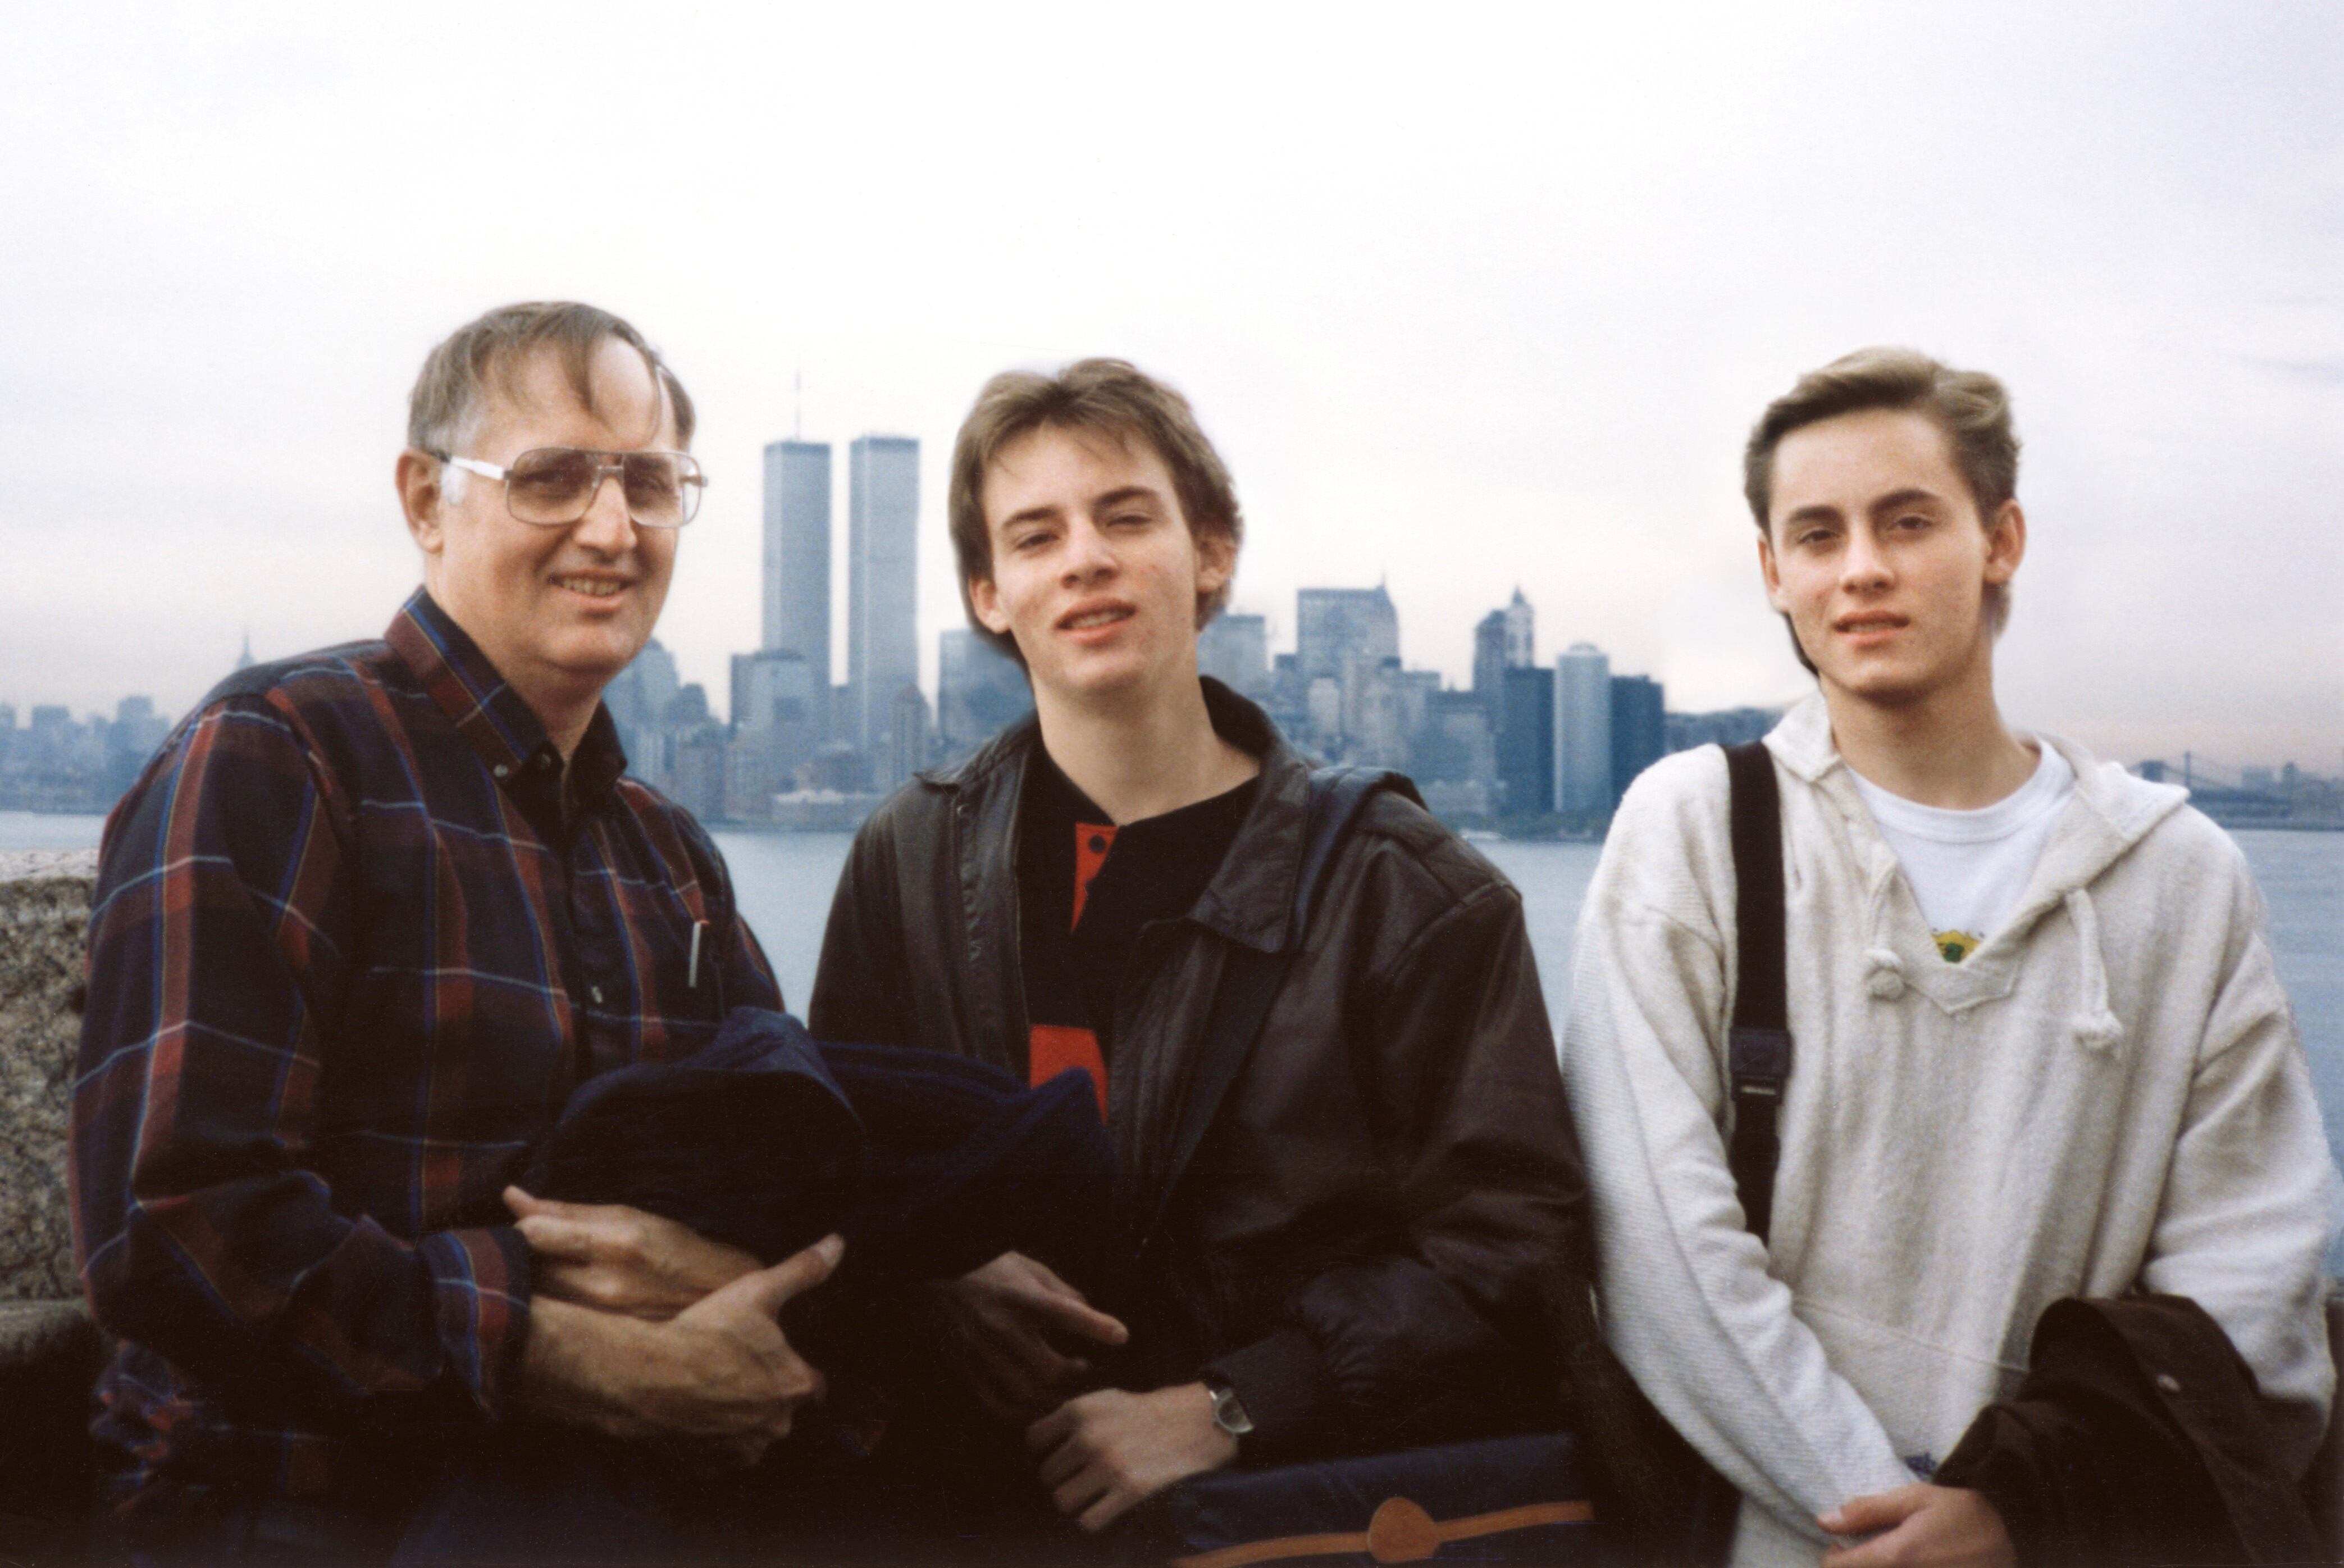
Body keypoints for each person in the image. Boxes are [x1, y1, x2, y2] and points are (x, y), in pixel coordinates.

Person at [72, 302, 840, 1558]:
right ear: (426, 501)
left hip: (611, 1509)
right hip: (298, 1510)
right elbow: (174, 1225)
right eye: (550, 477)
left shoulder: (669, 853)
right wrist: (556, 1345)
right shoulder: (283, 758)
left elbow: (796, 1154)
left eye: (648, 482)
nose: (611, 527)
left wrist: (740, 1280)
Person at [1559, 347, 2338, 1566]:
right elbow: (1653, 1242)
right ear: (1773, 573)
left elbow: (2250, 1267)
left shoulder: (2178, 876)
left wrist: (2020, 1510)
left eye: (1906, 520)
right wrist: (1879, 1515)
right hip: (1768, 1542)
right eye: (1814, 535)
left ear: (2000, 539)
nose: (1859, 567)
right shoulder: (1695, 830)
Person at [809, 358, 1587, 1535]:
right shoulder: (907, 857)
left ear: (1211, 553)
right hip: (958, 1510)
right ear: (986, 592)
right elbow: (836, 1170)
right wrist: (934, 1285)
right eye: (1034, 535)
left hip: (1281, 1524)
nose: (1084, 558)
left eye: (1126, 517)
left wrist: (1232, 1406)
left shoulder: (1409, 893)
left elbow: (1514, 1252)